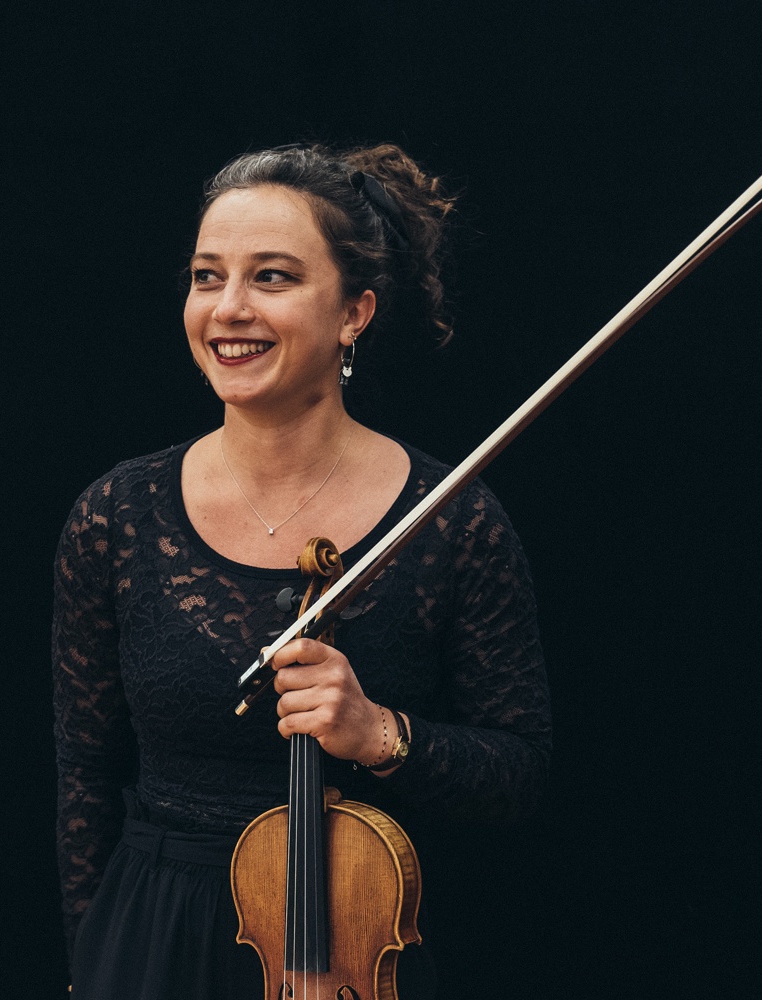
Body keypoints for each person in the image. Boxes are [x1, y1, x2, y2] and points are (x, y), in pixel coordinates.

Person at [52, 142, 551, 999]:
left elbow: (518, 773)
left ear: (354, 311)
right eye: (208, 277)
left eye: (272, 277)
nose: (228, 309)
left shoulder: (456, 518)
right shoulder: (116, 516)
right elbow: (85, 781)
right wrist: (93, 965)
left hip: (358, 945)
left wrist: (382, 735)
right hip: (153, 943)